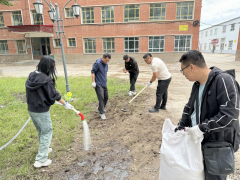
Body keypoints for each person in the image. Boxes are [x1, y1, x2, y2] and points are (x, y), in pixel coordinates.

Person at [175, 50, 240, 180]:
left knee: (214, 177)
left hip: (217, 146)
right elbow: (189, 108)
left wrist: (201, 128)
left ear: (191, 67)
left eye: (183, 70)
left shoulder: (224, 81)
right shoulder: (197, 85)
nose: (183, 74)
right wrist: (180, 127)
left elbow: (229, 116)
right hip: (200, 142)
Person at [25, 56, 74, 168]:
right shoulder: (46, 80)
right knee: (47, 131)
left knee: (41, 130)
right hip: (41, 110)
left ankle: (45, 148)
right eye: (52, 66)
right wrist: (65, 103)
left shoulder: (32, 75)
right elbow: (54, 95)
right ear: (48, 66)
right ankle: (41, 160)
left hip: (31, 109)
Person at [91, 53, 111, 120]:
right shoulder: (98, 63)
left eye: (108, 60)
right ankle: (101, 113)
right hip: (98, 83)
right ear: (103, 58)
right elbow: (93, 72)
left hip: (104, 83)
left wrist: (106, 80)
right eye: (106, 60)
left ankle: (100, 108)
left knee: (106, 97)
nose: (107, 62)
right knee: (101, 98)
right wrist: (93, 81)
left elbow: (105, 73)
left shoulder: (106, 64)